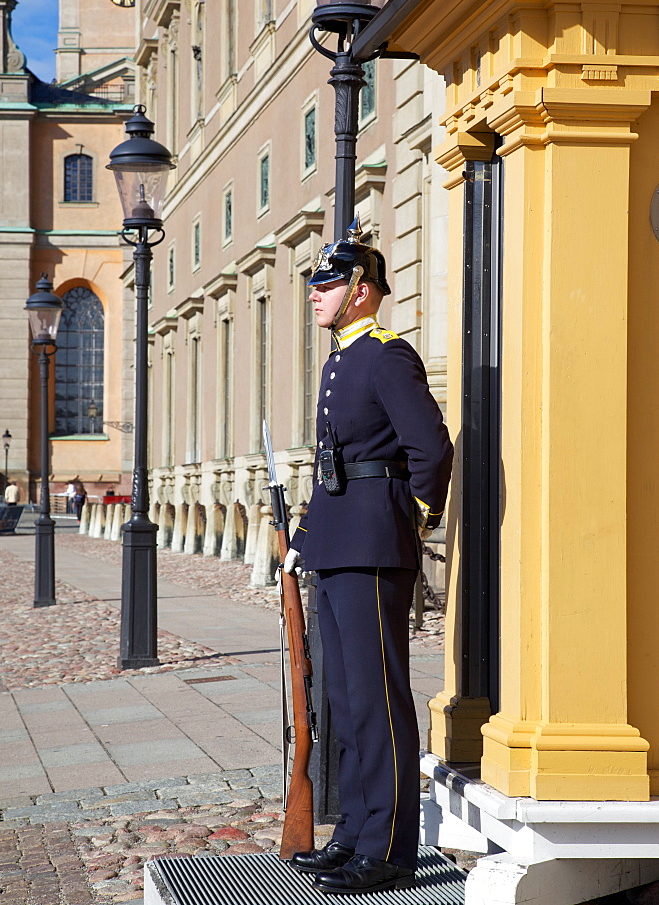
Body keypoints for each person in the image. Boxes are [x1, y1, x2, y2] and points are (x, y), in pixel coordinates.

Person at [286, 219, 454, 896]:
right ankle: (354, 833)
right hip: (336, 539)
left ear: (362, 291)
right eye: (315, 283)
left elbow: (431, 449)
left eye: (327, 283)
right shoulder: (338, 359)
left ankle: (386, 848)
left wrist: (408, 518)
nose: (315, 294)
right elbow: (334, 461)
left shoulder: (385, 354)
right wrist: (303, 538)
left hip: (373, 542)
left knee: (379, 700)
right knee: (349, 698)